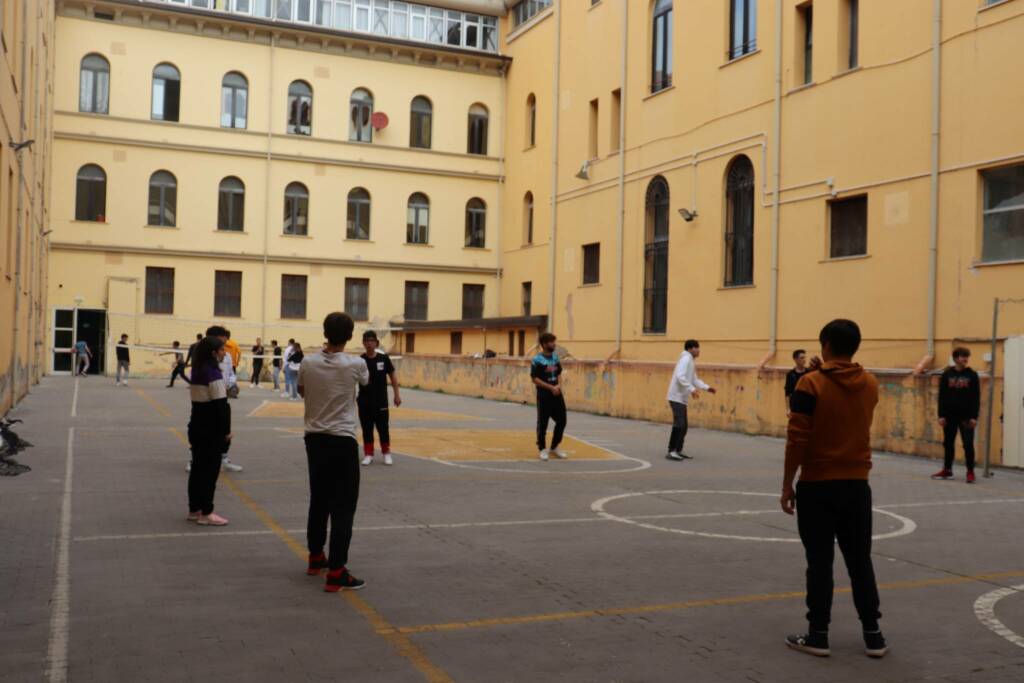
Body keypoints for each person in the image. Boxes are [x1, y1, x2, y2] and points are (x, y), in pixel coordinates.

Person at [780, 319, 886, 659]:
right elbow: (845, 394)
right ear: (854, 346)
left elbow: (797, 438)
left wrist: (786, 485)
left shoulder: (809, 385)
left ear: (824, 345)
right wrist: (822, 371)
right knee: (860, 561)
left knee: (820, 562)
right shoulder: (869, 383)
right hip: (857, 484)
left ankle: (818, 634)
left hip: (817, 485)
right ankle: (874, 635)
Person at [297, 312, 369, 591]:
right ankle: (337, 570)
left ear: (325, 332)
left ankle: (316, 557)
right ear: (350, 336)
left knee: (319, 499)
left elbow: (303, 391)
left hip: (314, 439)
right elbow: (365, 384)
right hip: (342, 440)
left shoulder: (308, 362)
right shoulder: (356, 364)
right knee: (343, 507)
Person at [186, 336, 232, 526]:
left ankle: (194, 509)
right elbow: (221, 405)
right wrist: (226, 432)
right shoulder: (213, 373)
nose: (224, 353)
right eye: (222, 350)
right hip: (210, 429)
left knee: (197, 469)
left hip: (196, 425)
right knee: (210, 472)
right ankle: (207, 512)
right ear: (214, 353)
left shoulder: (197, 370)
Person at [932, 347, 981, 483]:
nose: (965, 358)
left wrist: (974, 417)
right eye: (962, 356)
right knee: (948, 444)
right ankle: (947, 470)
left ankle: (970, 472)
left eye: (966, 356)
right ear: (955, 358)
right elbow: (942, 396)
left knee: (968, 445)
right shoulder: (947, 374)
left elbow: (976, 397)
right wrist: (941, 415)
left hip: (966, 417)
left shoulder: (972, 375)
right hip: (949, 416)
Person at [199, 325, 243, 473]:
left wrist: (231, 384)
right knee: (202, 430)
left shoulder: (227, 356)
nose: (224, 347)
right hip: (206, 400)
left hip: (222, 397)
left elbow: (231, 373)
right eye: (222, 342)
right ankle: (195, 460)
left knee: (225, 429)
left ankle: (224, 458)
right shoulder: (202, 357)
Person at [665, 339, 716, 461]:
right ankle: (671, 451)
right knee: (679, 424)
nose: (698, 350)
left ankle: (678, 450)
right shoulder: (686, 359)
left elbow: (694, 379)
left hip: (681, 398)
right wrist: (692, 389)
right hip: (676, 397)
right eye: (696, 347)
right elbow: (680, 376)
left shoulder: (690, 361)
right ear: (689, 349)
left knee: (684, 426)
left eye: (698, 347)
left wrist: (707, 387)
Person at [358, 331, 401, 466]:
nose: (369, 343)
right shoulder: (360, 361)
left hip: (381, 401)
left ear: (376, 342)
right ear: (363, 343)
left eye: (372, 340)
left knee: (383, 428)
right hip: (364, 401)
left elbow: (393, 376)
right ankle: (368, 454)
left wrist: (397, 395)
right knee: (367, 428)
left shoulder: (383, 358)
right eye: (367, 340)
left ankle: (386, 453)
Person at [531, 332, 568, 461]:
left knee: (562, 420)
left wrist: (558, 386)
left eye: (554, 341)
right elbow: (535, 379)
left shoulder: (555, 358)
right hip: (544, 395)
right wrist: (550, 387)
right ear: (544, 344)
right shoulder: (537, 360)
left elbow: (559, 373)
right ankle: (542, 449)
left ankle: (554, 446)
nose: (554, 344)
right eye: (551, 342)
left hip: (556, 393)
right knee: (543, 423)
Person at [785, 349, 810, 413]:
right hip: (795, 406)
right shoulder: (790, 374)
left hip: (808, 405)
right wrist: (788, 409)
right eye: (802, 358)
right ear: (796, 359)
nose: (804, 360)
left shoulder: (809, 372)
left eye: (804, 357)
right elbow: (787, 392)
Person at [223, 330, 241, 398]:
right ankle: (232, 392)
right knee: (232, 378)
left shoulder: (222, 343)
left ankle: (228, 392)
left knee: (225, 377)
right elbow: (239, 352)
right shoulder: (234, 343)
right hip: (233, 364)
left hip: (226, 363)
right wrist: (237, 361)